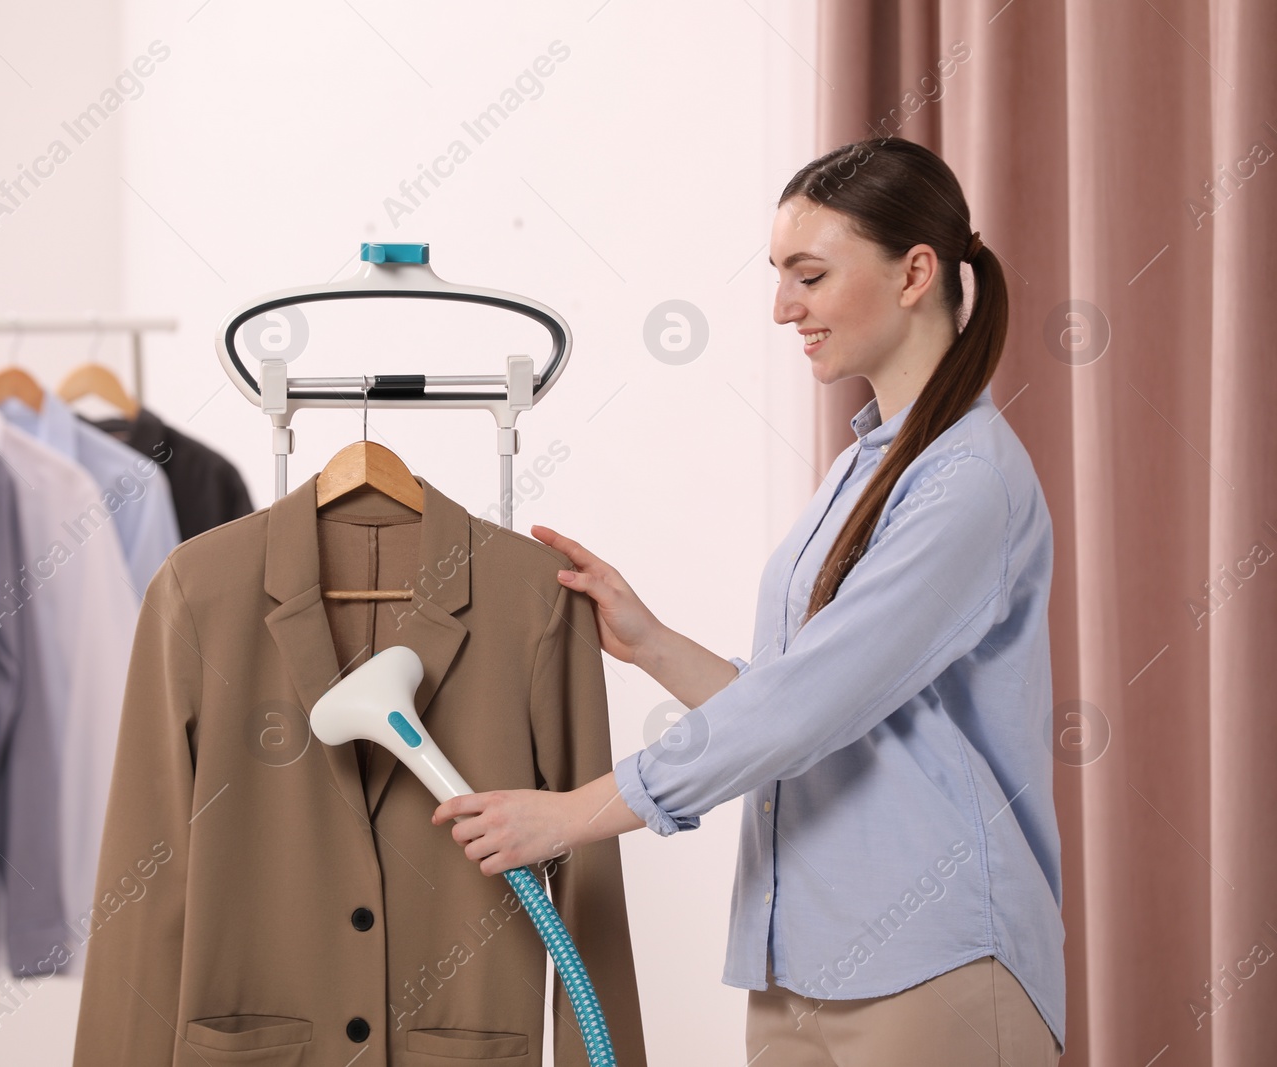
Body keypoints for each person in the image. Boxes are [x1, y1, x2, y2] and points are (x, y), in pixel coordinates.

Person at [431, 137, 1064, 1066]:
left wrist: (578, 813)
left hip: (935, 963)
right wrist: (649, 642)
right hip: (800, 963)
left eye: (808, 275)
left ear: (915, 273)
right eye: (778, 277)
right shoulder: (863, 467)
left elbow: (801, 710)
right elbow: (808, 699)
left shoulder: (965, 479)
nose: (782, 308)